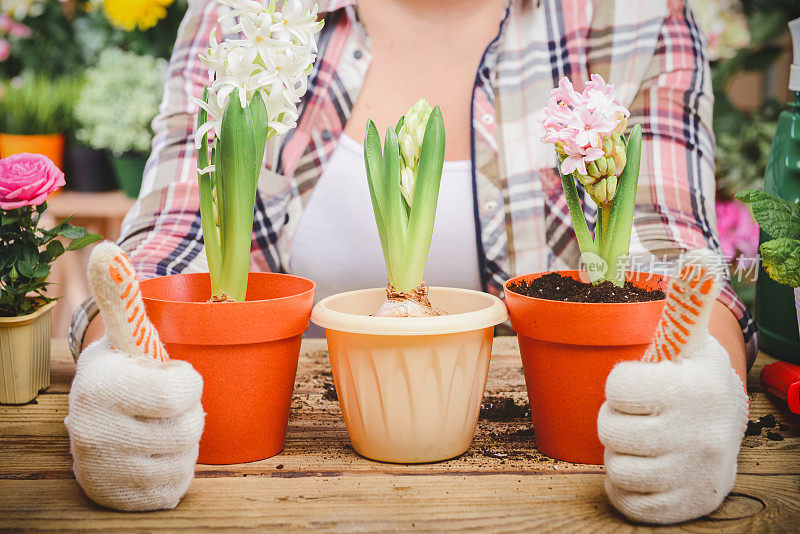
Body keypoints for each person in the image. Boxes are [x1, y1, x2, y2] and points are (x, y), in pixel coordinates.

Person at [68, 0, 755, 522]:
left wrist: (699, 384)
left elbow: (671, 259)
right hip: (261, 482)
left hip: (557, 482)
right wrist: (124, 373)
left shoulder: (632, 13)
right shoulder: (246, 10)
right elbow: (171, 243)